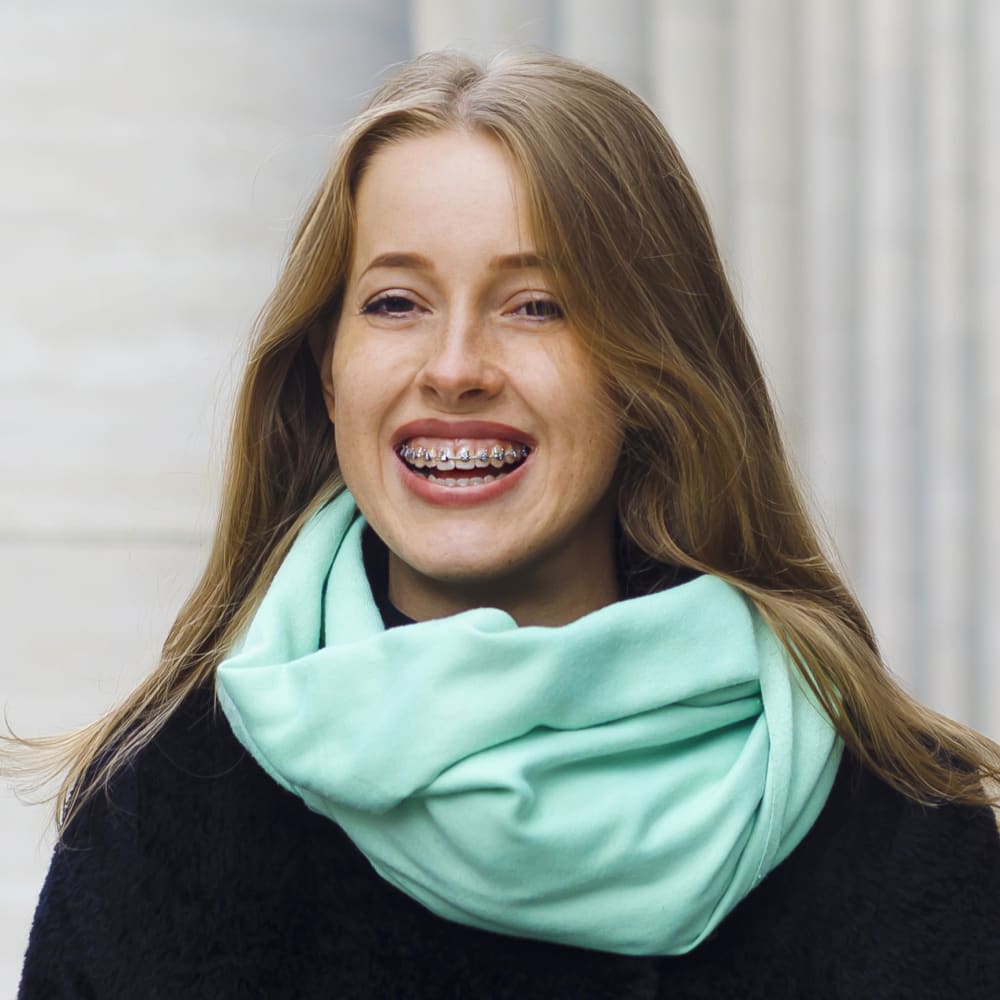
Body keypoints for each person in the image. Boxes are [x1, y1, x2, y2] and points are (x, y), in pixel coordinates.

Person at [9, 49, 1000, 998]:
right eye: (395, 302)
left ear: (643, 373)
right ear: (328, 367)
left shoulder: (902, 820)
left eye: (535, 306)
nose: (454, 366)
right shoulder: (166, 813)